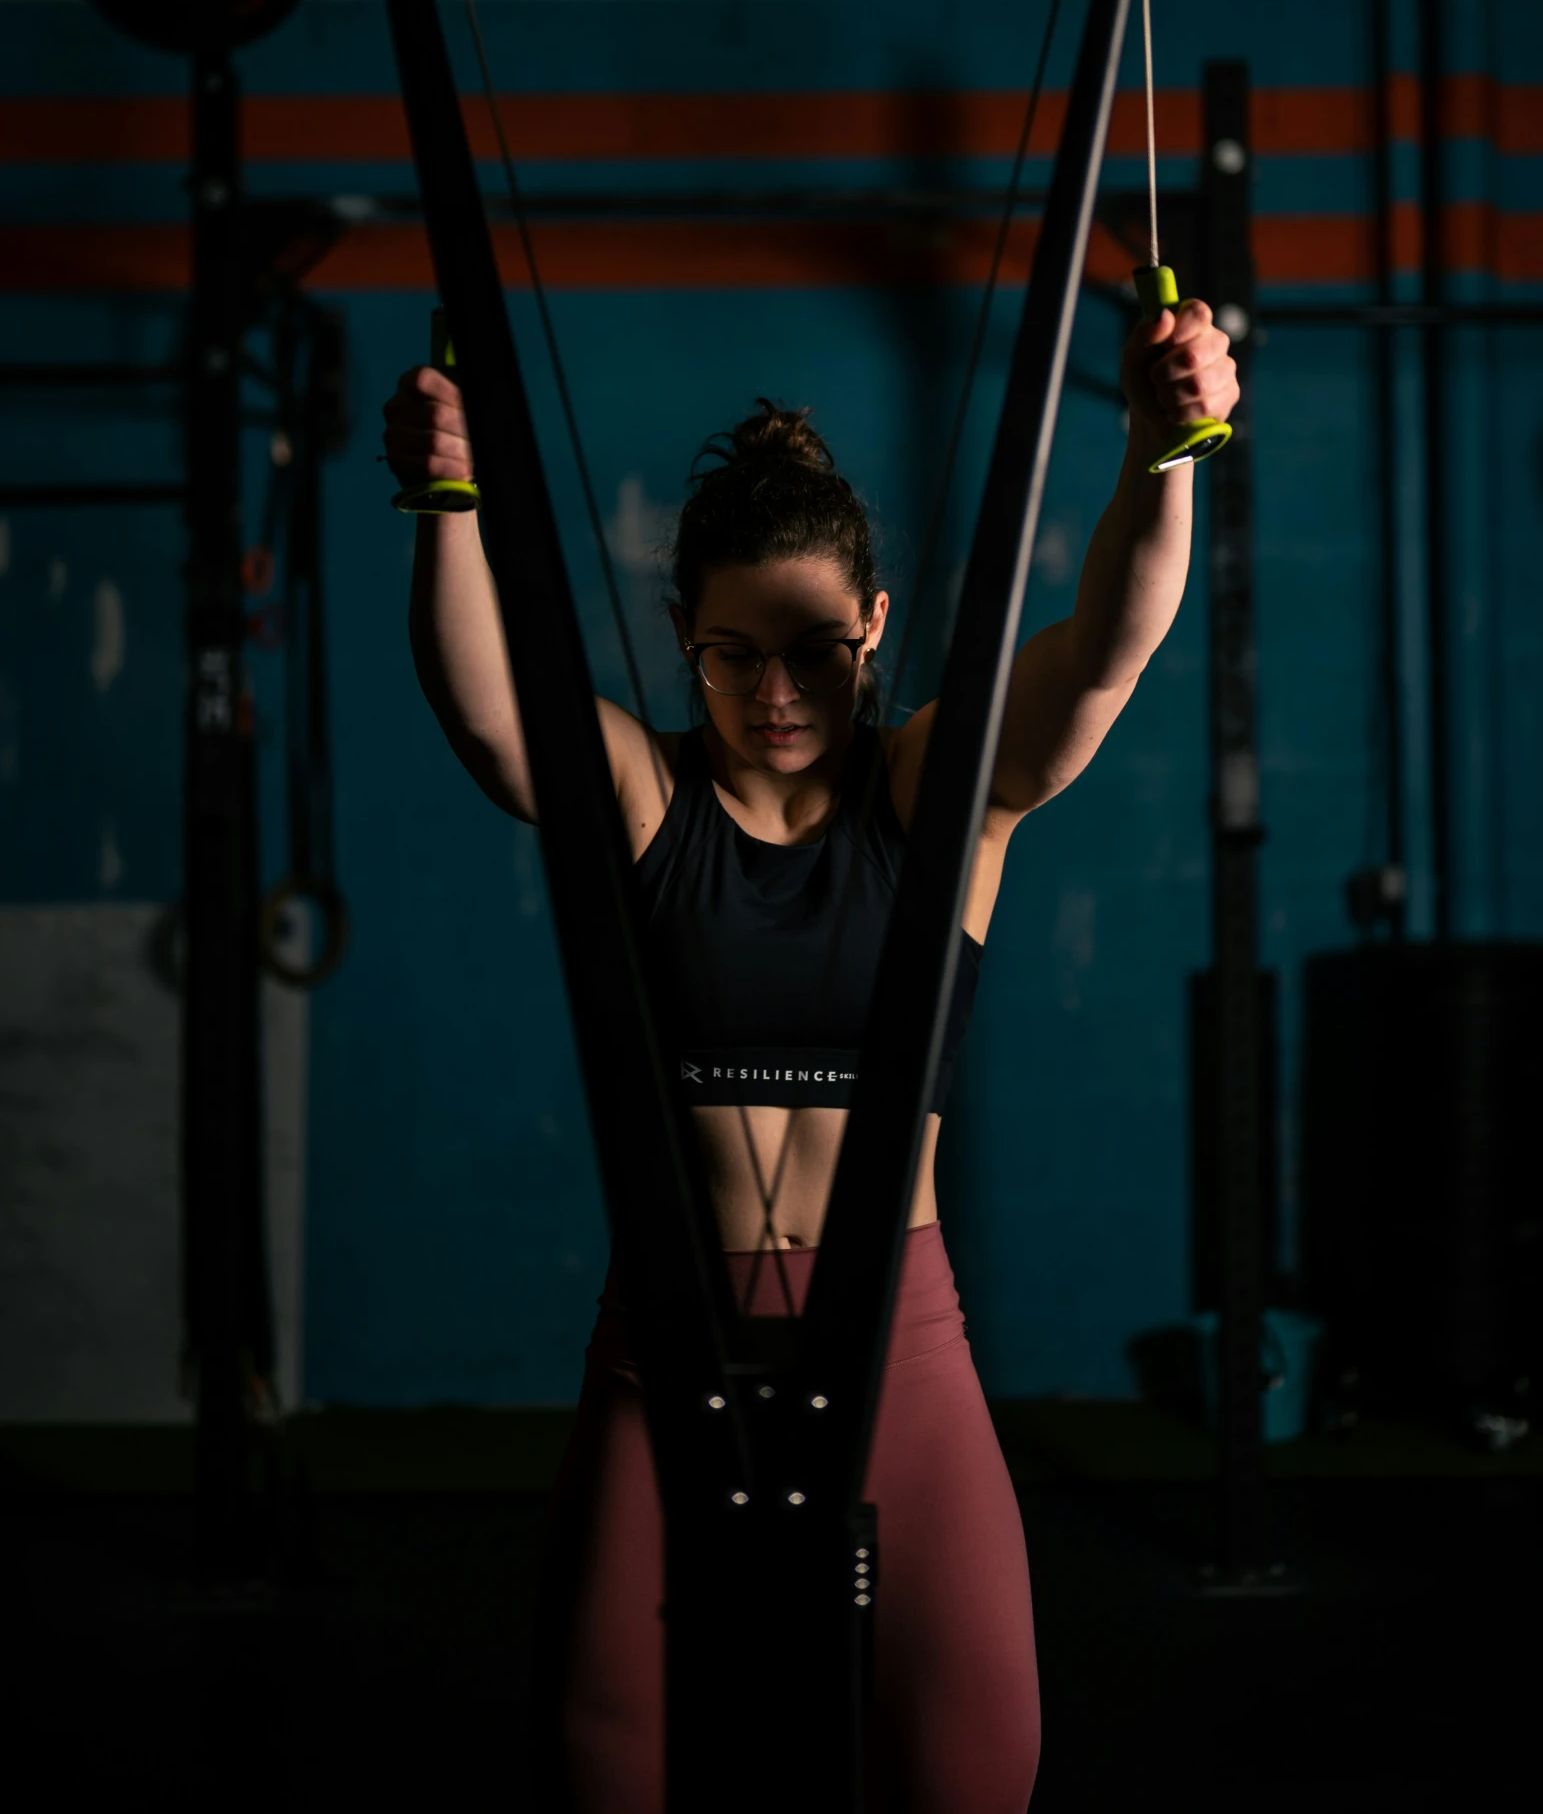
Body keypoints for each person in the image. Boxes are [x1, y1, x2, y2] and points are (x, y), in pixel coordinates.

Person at [381, 293, 1238, 1813]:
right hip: (669, 1344)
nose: (777, 696)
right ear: (680, 636)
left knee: (979, 1764)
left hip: (894, 1340)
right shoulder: (646, 798)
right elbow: (488, 713)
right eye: (731, 657)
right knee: (604, 1766)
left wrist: (1165, 449)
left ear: (876, 629)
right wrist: (448, 499)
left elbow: (1106, 651)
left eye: (815, 655)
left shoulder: (937, 796)